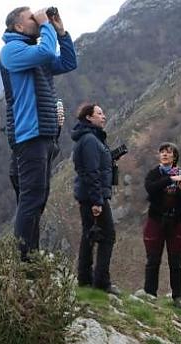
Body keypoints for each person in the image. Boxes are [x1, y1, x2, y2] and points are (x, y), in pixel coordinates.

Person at [0, 6, 77, 260]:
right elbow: (45, 51)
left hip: (44, 134)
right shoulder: (12, 51)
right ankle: (24, 261)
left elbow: (68, 62)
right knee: (31, 199)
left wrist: (61, 32)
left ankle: (31, 256)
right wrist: (46, 24)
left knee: (39, 198)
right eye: (31, 18)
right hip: (29, 134)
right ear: (18, 27)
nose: (37, 19)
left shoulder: (34, 54)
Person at [71, 103, 120, 295]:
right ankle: (101, 281)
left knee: (89, 235)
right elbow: (91, 172)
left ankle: (85, 279)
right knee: (107, 235)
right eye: (100, 113)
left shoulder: (89, 138)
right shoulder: (91, 140)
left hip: (89, 194)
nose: (104, 116)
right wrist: (97, 201)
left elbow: (96, 165)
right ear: (89, 118)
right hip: (93, 196)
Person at [142, 142, 181, 308]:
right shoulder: (154, 173)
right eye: (162, 152)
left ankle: (178, 297)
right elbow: (151, 188)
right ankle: (150, 295)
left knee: (176, 262)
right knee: (153, 260)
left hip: (176, 222)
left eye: (168, 152)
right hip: (156, 221)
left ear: (174, 156)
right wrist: (170, 179)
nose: (164, 154)